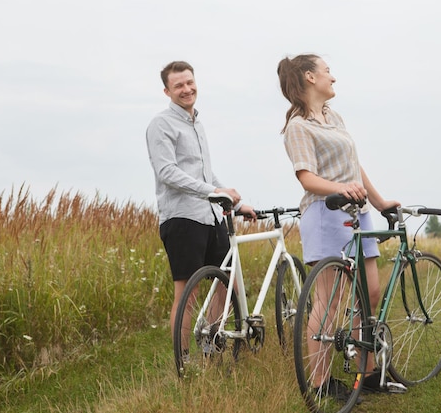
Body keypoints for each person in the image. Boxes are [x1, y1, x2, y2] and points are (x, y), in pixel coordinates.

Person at [277, 54, 401, 398]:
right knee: (329, 303)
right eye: (328, 71)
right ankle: (320, 383)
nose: (334, 77)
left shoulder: (334, 117)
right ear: (309, 77)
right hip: (325, 212)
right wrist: (340, 189)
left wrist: (378, 201)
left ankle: (370, 373)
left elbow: (353, 166)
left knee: (369, 293)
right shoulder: (298, 126)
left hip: (359, 212)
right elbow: (307, 178)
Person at [146, 60, 256, 341]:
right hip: (182, 218)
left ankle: (213, 344)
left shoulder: (197, 123)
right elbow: (167, 172)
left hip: (210, 216)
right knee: (187, 293)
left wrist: (231, 201)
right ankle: (182, 364)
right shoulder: (161, 124)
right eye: (178, 85)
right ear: (167, 91)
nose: (186, 89)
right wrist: (212, 192)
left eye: (189, 82)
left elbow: (205, 173)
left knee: (226, 282)